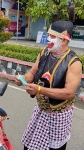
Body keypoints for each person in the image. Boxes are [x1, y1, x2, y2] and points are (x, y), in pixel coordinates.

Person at [15, 20, 82, 150]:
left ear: (63, 40)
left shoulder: (74, 62)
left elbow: (68, 93)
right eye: (48, 35)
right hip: (41, 110)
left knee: (53, 148)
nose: (47, 38)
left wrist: (39, 89)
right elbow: (32, 74)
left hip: (58, 115)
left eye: (52, 36)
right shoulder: (44, 53)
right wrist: (22, 78)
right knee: (28, 146)